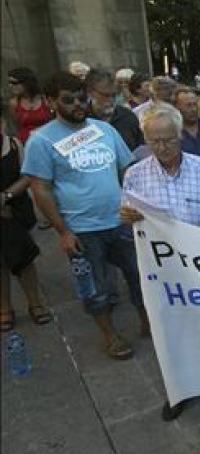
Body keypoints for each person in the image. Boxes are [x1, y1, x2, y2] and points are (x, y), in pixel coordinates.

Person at [118, 104, 200, 419]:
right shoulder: (135, 174)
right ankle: (180, 390)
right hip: (162, 273)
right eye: (155, 142)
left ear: (180, 136)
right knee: (173, 332)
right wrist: (128, 216)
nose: (162, 148)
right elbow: (127, 216)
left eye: (169, 140)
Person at [23, 71, 146, 360]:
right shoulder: (41, 140)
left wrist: (137, 205)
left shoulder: (104, 130)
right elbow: (40, 190)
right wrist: (63, 232)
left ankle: (147, 321)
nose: (78, 104)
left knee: (140, 277)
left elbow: (127, 170)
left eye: (82, 98)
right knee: (95, 289)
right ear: (51, 101)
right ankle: (110, 335)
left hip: (122, 222)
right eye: (69, 100)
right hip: (82, 231)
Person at [1, 116, 49, 331]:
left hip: (15, 209)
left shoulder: (13, 144)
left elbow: (28, 175)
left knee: (25, 256)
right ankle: (5, 308)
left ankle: (35, 303)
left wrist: (5, 196)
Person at [84, 69, 144, 151]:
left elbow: (140, 150)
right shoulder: (81, 119)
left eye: (114, 95)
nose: (111, 100)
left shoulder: (128, 117)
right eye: (106, 95)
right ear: (90, 92)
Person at [8, 67, 52, 144]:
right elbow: (17, 126)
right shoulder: (14, 103)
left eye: (14, 83)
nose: (10, 86)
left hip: (47, 140)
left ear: (26, 83)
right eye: (9, 82)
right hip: (26, 143)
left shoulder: (44, 99)